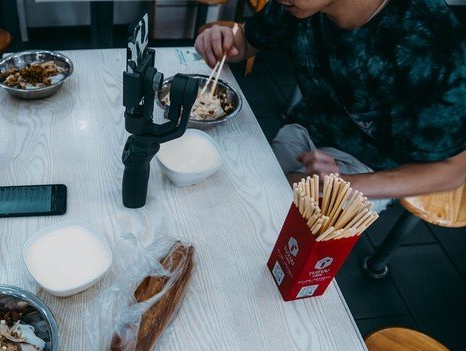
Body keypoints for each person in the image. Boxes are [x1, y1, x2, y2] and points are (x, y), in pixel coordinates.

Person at [195, 0, 466, 209]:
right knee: (227, 193)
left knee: (279, 228)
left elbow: (454, 170)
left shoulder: (431, 45)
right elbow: (247, 41)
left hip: (374, 167)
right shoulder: (296, 5)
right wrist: (224, 39)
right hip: (310, 127)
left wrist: (347, 185)